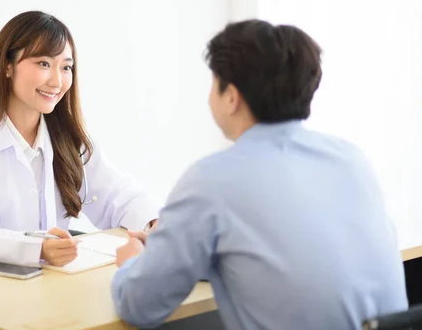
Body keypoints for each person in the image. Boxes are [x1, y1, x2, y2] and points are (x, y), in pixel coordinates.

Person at [111, 19, 408, 329]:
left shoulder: (213, 180)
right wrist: (172, 247)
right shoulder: (350, 159)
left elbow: (139, 305)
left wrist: (134, 262)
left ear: (231, 96)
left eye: (213, 83)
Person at [0, 11, 159, 268]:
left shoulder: (67, 140)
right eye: (43, 64)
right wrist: (36, 248)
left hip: (44, 288)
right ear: (7, 66)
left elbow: (117, 195)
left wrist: (153, 224)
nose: (57, 81)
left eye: (66, 67)